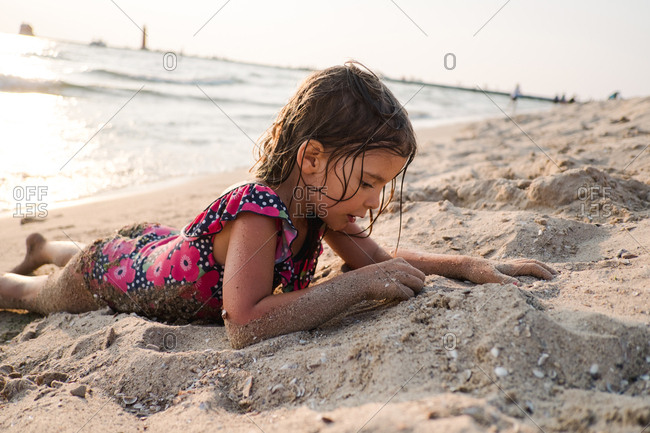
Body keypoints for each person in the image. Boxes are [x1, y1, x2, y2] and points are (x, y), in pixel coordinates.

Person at [0, 62, 556, 349]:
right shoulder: (260, 212)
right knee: (32, 294)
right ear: (311, 158)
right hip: (108, 276)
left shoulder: (322, 208)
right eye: (366, 181)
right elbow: (242, 325)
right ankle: (43, 257)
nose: (373, 200)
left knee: (107, 250)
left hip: (154, 246)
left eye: (383, 186)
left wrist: (469, 266)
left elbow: (380, 259)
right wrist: (352, 287)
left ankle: (43, 243)